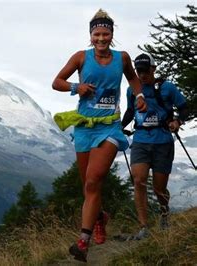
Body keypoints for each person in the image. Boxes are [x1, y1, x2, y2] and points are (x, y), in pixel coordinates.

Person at [52, 9, 147, 262]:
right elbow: (57, 82)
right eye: (97, 34)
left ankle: (83, 243)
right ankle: (100, 218)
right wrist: (77, 86)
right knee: (88, 186)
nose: (101, 39)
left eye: (106, 34)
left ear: (112, 34)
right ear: (90, 35)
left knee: (94, 180)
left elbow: (133, 79)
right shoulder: (81, 58)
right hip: (84, 127)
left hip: (109, 127)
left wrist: (139, 96)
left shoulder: (122, 58)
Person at [122, 53, 188, 239]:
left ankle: (164, 212)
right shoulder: (132, 90)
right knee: (139, 181)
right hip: (141, 140)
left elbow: (184, 107)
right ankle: (144, 227)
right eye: (138, 71)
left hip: (163, 142)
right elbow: (130, 111)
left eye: (145, 71)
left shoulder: (167, 88)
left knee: (159, 188)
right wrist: (119, 127)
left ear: (153, 69)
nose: (142, 75)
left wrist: (177, 121)